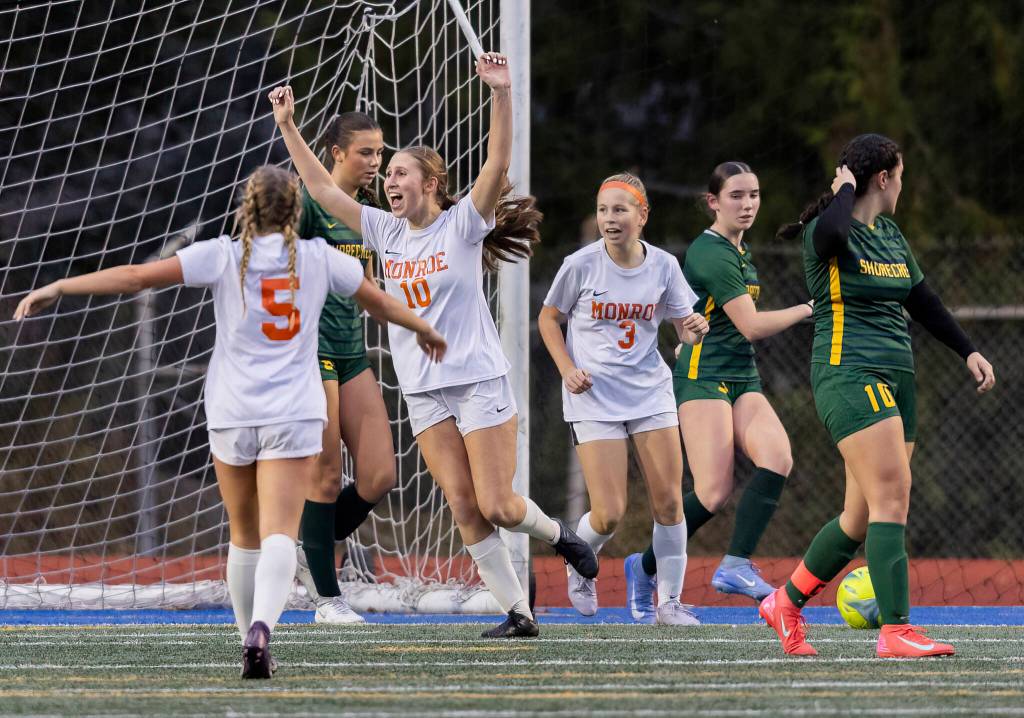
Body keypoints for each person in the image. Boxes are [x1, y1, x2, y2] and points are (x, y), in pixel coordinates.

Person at [13, 165, 447, 677]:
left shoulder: (222, 254)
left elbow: (134, 277)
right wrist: (424, 327)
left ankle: (249, 638)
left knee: (244, 534)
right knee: (281, 534)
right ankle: (264, 627)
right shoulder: (318, 257)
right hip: (294, 411)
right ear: (297, 212)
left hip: (232, 411)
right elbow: (378, 303)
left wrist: (59, 286)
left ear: (247, 209)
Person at [268, 51, 598, 639]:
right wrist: (290, 127)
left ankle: (560, 536)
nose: (389, 180)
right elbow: (319, 185)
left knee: (497, 504)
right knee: (464, 509)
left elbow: (497, 159)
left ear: (431, 183)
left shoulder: (463, 223)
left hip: (476, 380)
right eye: (385, 172)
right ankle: (518, 614)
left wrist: (500, 90)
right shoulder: (385, 229)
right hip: (424, 391)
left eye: (399, 172)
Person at [762, 134, 995, 657]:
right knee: (894, 496)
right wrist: (846, 189)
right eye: (899, 175)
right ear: (883, 178)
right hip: (849, 375)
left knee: (860, 517)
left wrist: (968, 351)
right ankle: (896, 631)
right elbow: (830, 235)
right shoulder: (828, 230)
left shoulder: (889, 233)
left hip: (898, 379)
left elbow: (922, 300)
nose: (902, 185)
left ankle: (786, 601)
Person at [625, 162, 814, 621]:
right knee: (712, 493)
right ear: (713, 202)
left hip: (741, 376)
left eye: (754, 195)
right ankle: (643, 566)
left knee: (778, 457)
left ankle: (735, 565)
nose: (747, 204)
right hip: (703, 375)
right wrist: (811, 307)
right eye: (736, 196)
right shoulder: (710, 252)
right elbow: (749, 325)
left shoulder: (741, 250)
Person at [538, 173, 710, 625]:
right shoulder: (580, 264)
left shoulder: (664, 266)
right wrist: (566, 369)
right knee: (610, 512)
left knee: (670, 502)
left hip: (650, 393)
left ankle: (669, 603)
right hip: (593, 397)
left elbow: (683, 333)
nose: (610, 219)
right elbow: (548, 319)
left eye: (620, 210)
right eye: (603, 210)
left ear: (642, 215)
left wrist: (692, 333)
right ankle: (580, 560)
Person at [292, 112, 397, 625]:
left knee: (380, 473)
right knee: (327, 476)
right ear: (335, 152)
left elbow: (370, 292)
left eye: (380, 153)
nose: (376, 163)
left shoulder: (369, 211)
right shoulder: (309, 206)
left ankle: (312, 537)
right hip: (312, 353)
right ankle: (327, 600)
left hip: (352, 352)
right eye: (365, 153)